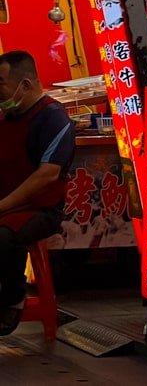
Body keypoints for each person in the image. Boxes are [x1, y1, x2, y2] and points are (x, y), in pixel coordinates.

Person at [0, 50, 74, 336]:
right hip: (5, 202)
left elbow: (47, 175)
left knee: (3, 236)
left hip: (41, 208)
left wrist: (3, 206)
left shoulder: (53, 118)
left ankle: (13, 298)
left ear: (25, 85)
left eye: (1, 83)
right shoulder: (7, 116)